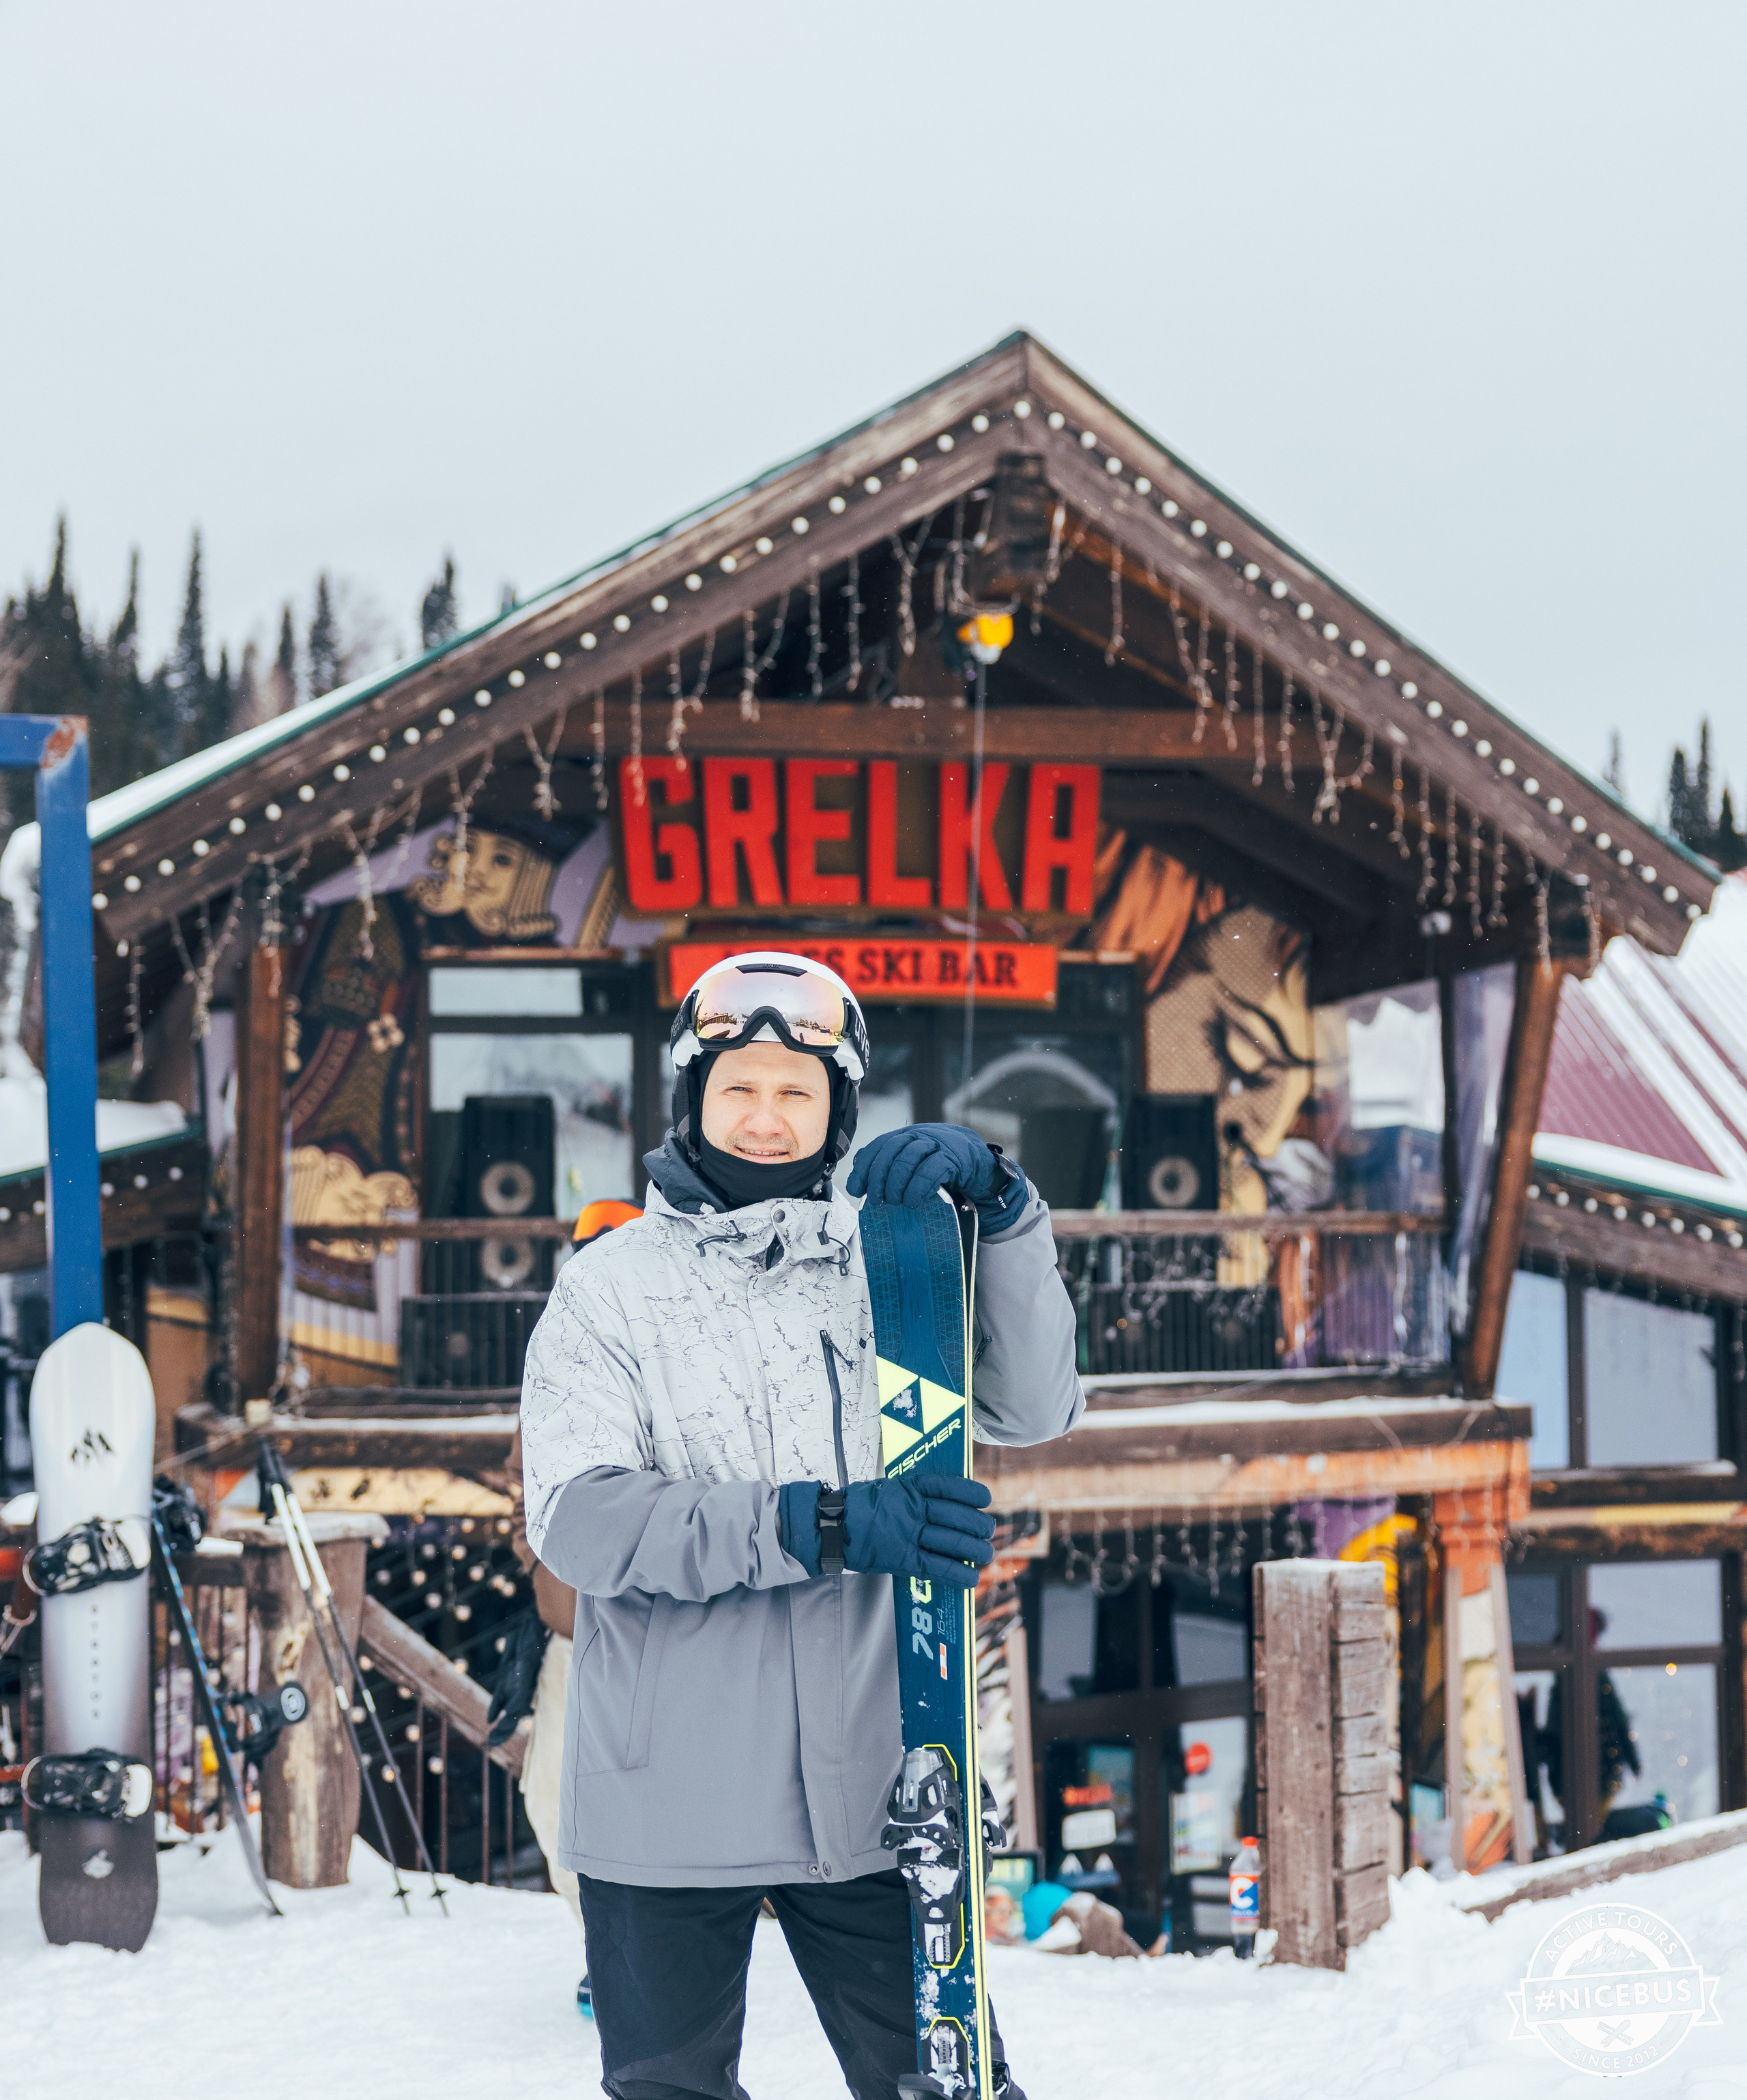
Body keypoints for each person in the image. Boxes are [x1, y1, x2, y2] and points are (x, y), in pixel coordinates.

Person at [520, 952, 1083, 2100]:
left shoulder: (893, 1260)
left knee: (954, 2088)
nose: (767, 1118)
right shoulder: (610, 1285)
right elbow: (582, 1524)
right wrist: (819, 1522)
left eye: (797, 1091)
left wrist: (1008, 1216)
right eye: (740, 1088)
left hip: (878, 1781)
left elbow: (1034, 1405)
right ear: (693, 1097)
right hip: (666, 1794)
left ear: (838, 1106)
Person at [497, 1198, 646, 2016]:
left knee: (653, 1795)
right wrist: (536, 1560)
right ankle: (605, 1945)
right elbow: (525, 1475)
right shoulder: (553, 1354)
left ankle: (647, 1955)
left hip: (652, 1629)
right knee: (549, 1793)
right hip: (565, 1628)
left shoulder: (669, 1353)